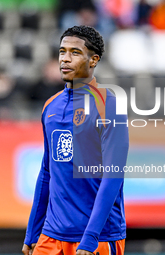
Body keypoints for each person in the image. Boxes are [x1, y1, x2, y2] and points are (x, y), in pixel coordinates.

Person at [22, 25, 129, 255]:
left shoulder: (109, 106)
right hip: (51, 236)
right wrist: (33, 231)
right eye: (62, 52)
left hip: (96, 238)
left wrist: (90, 238)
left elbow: (113, 176)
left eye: (75, 53)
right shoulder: (50, 106)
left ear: (93, 60)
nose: (65, 59)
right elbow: (47, 172)